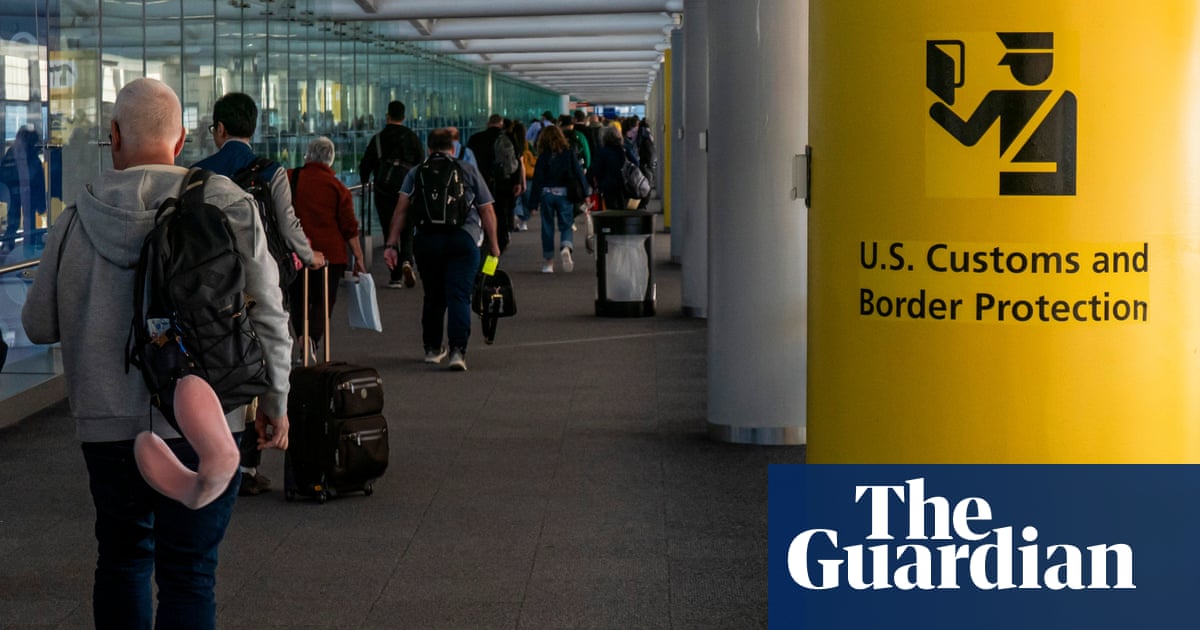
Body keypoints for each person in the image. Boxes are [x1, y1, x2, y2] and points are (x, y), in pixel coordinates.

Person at [20, 77, 292, 629]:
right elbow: (268, 310)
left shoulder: (74, 218)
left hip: (106, 425)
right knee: (190, 574)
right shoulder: (226, 202)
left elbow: (38, 324)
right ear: (182, 139)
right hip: (208, 424)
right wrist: (276, 401)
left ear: (114, 135)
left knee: (121, 560)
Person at [195, 91, 324, 497]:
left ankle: (217, 448)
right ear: (253, 129)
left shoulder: (196, 174)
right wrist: (311, 256)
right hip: (262, 279)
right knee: (262, 354)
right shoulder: (271, 171)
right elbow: (287, 225)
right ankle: (249, 461)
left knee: (217, 356)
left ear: (219, 129)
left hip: (211, 285)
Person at [383, 129, 500, 372]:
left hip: (427, 240)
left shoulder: (417, 172)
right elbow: (487, 209)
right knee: (459, 296)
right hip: (463, 239)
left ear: (429, 148)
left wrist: (392, 244)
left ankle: (432, 349)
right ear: (453, 148)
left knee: (433, 296)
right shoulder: (467, 170)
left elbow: (401, 209)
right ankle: (457, 352)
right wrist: (494, 246)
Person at [288, 137, 367, 346]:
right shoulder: (337, 187)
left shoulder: (291, 177)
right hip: (330, 255)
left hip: (296, 252)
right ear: (331, 158)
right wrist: (358, 256)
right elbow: (349, 226)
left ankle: (301, 337)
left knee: (297, 299)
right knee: (323, 301)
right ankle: (312, 341)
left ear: (308, 154)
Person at [359, 100, 425, 288]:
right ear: (403, 117)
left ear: (388, 116)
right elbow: (421, 163)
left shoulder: (378, 139)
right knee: (407, 227)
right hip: (407, 190)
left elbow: (366, 164)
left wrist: (365, 181)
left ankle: (395, 276)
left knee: (389, 229)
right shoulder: (412, 137)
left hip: (384, 191)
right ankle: (407, 260)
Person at [529, 125, 589, 274]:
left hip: (547, 195)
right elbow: (579, 174)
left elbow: (537, 181)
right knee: (566, 224)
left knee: (547, 227)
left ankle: (548, 263)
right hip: (564, 195)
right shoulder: (569, 154)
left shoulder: (543, 157)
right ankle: (566, 246)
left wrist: (533, 203)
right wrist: (586, 194)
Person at [467, 114, 524, 251]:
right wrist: (518, 182)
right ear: (501, 123)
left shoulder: (475, 138)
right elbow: (515, 161)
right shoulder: (508, 138)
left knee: (482, 211)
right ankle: (501, 240)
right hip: (504, 182)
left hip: (481, 182)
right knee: (501, 212)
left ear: (488, 123)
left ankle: (484, 239)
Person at [1, 125, 47, 253]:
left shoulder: (12, 153)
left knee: (15, 221)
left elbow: (4, 173)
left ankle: (9, 245)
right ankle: (26, 246)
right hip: (24, 193)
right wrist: (41, 203)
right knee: (24, 221)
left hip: (15, 193)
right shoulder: (32, 156)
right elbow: (38, 179)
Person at [589, 125, 631, 212]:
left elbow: (595, 169)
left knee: (611, 210)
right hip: (625, 184)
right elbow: (636, 163)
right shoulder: (624, 149)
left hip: (608, 186)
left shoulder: (603, 151)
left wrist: (595, 183)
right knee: (624, 209)